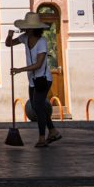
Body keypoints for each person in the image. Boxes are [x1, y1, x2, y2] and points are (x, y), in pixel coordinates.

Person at [6, 11, 62, 148]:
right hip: (32, 80)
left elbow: (38, 64)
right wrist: (9, 36)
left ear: (34, 29)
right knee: (38, 107)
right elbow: (9, 44)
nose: (25, 29)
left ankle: (42, 138)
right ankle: (53, 131)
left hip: (43, 79)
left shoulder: (42, 42)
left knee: (38, 105)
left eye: (27, 27)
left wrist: (19, 70)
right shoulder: (25, 38)